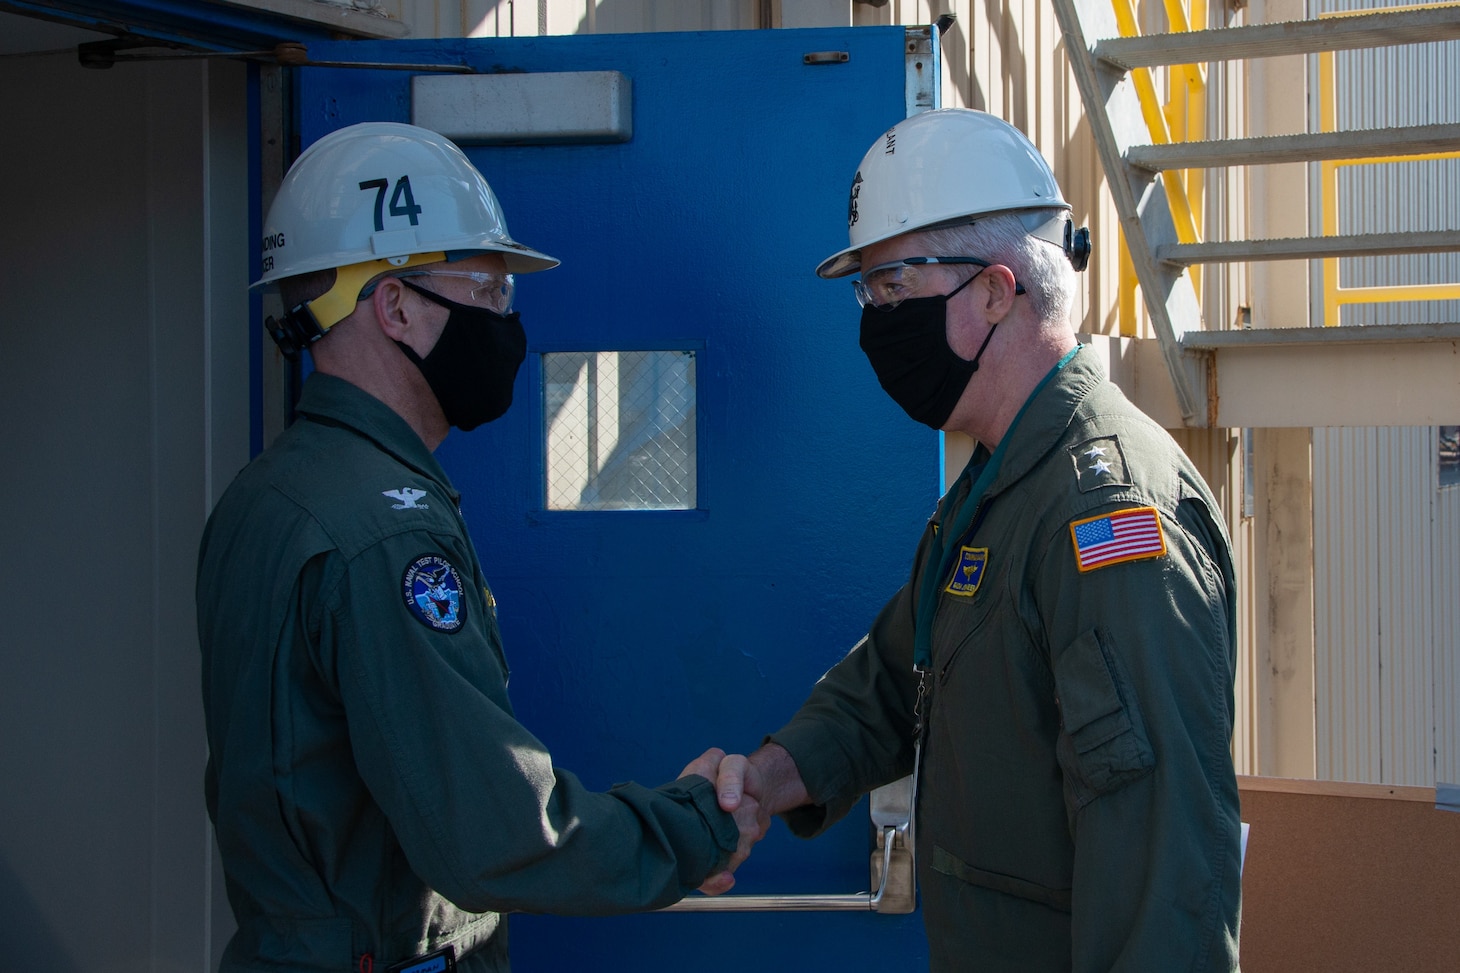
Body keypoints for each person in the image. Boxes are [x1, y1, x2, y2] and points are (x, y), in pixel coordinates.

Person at [196, 122, 762, 973]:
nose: (508, 320)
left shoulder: (266, 496)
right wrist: (695, 827)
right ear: (394, 306)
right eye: (490, 291)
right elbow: (496, 830)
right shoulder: (386, 528)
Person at [707, 108, 1242, 971]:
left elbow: (1164, 878)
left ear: (995, 291)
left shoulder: (1109, 520)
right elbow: (893, 676)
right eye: (869, 293)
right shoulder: (997, 488)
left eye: (892, 288)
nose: (875, 321)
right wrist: (763, 782)